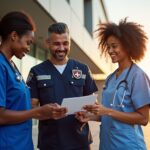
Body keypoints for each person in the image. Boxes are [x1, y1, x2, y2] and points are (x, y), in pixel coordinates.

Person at [76, 18, 150, 150]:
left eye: (114, 46)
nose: (110, 50)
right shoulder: (110, 78)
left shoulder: (138, 76)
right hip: (107, 144)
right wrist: (90, 116)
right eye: (108, 47)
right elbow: (108, 114)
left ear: (127, 46)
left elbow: (143, 119)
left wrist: (108, 111)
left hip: (128, 145)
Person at [0, 11, 67, 150]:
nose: (29, 48)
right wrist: (38, 111)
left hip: (22, 144)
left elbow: (20, 109)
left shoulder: (11, 66)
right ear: (14, 36)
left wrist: (47, 113)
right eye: (28, 42)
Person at [27, 22, 98, 150]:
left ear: (70, 42)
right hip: (50, 144)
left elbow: (94, 105)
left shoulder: (83, 69)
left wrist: (88, 114)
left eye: (65, 43)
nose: (61, 48)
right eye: (56, 44)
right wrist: (48, 113)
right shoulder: (36, 71)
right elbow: (30, 110)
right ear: (48, 42)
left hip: (81, 143)